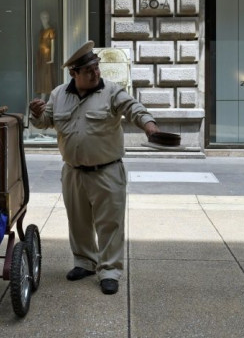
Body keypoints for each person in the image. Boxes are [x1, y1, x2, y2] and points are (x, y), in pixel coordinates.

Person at [29, 40, 160, 295]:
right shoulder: (58, 94)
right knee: (78, 222)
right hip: (73, 171)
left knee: (110, 224)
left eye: (96, 67)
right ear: (74, 74)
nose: (95, 73)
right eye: (88, 70)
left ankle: (109, 270)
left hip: (107, 171)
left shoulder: (112, 91)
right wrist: (36, 113)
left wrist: (149, 125)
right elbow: (46, 122)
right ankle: (84, 262)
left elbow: (133, 108)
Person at [34, 10, 56, 99]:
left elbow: (52, 45)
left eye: (46, 17)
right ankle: (42, 100)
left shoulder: (51, 30)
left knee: (47, 77)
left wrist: (52, 58)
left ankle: (45, 100)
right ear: (40, 18)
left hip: (47, 57)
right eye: (43, 17)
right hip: (41, 57)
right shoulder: (41, 31)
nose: (44, 19)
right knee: (42, 77)